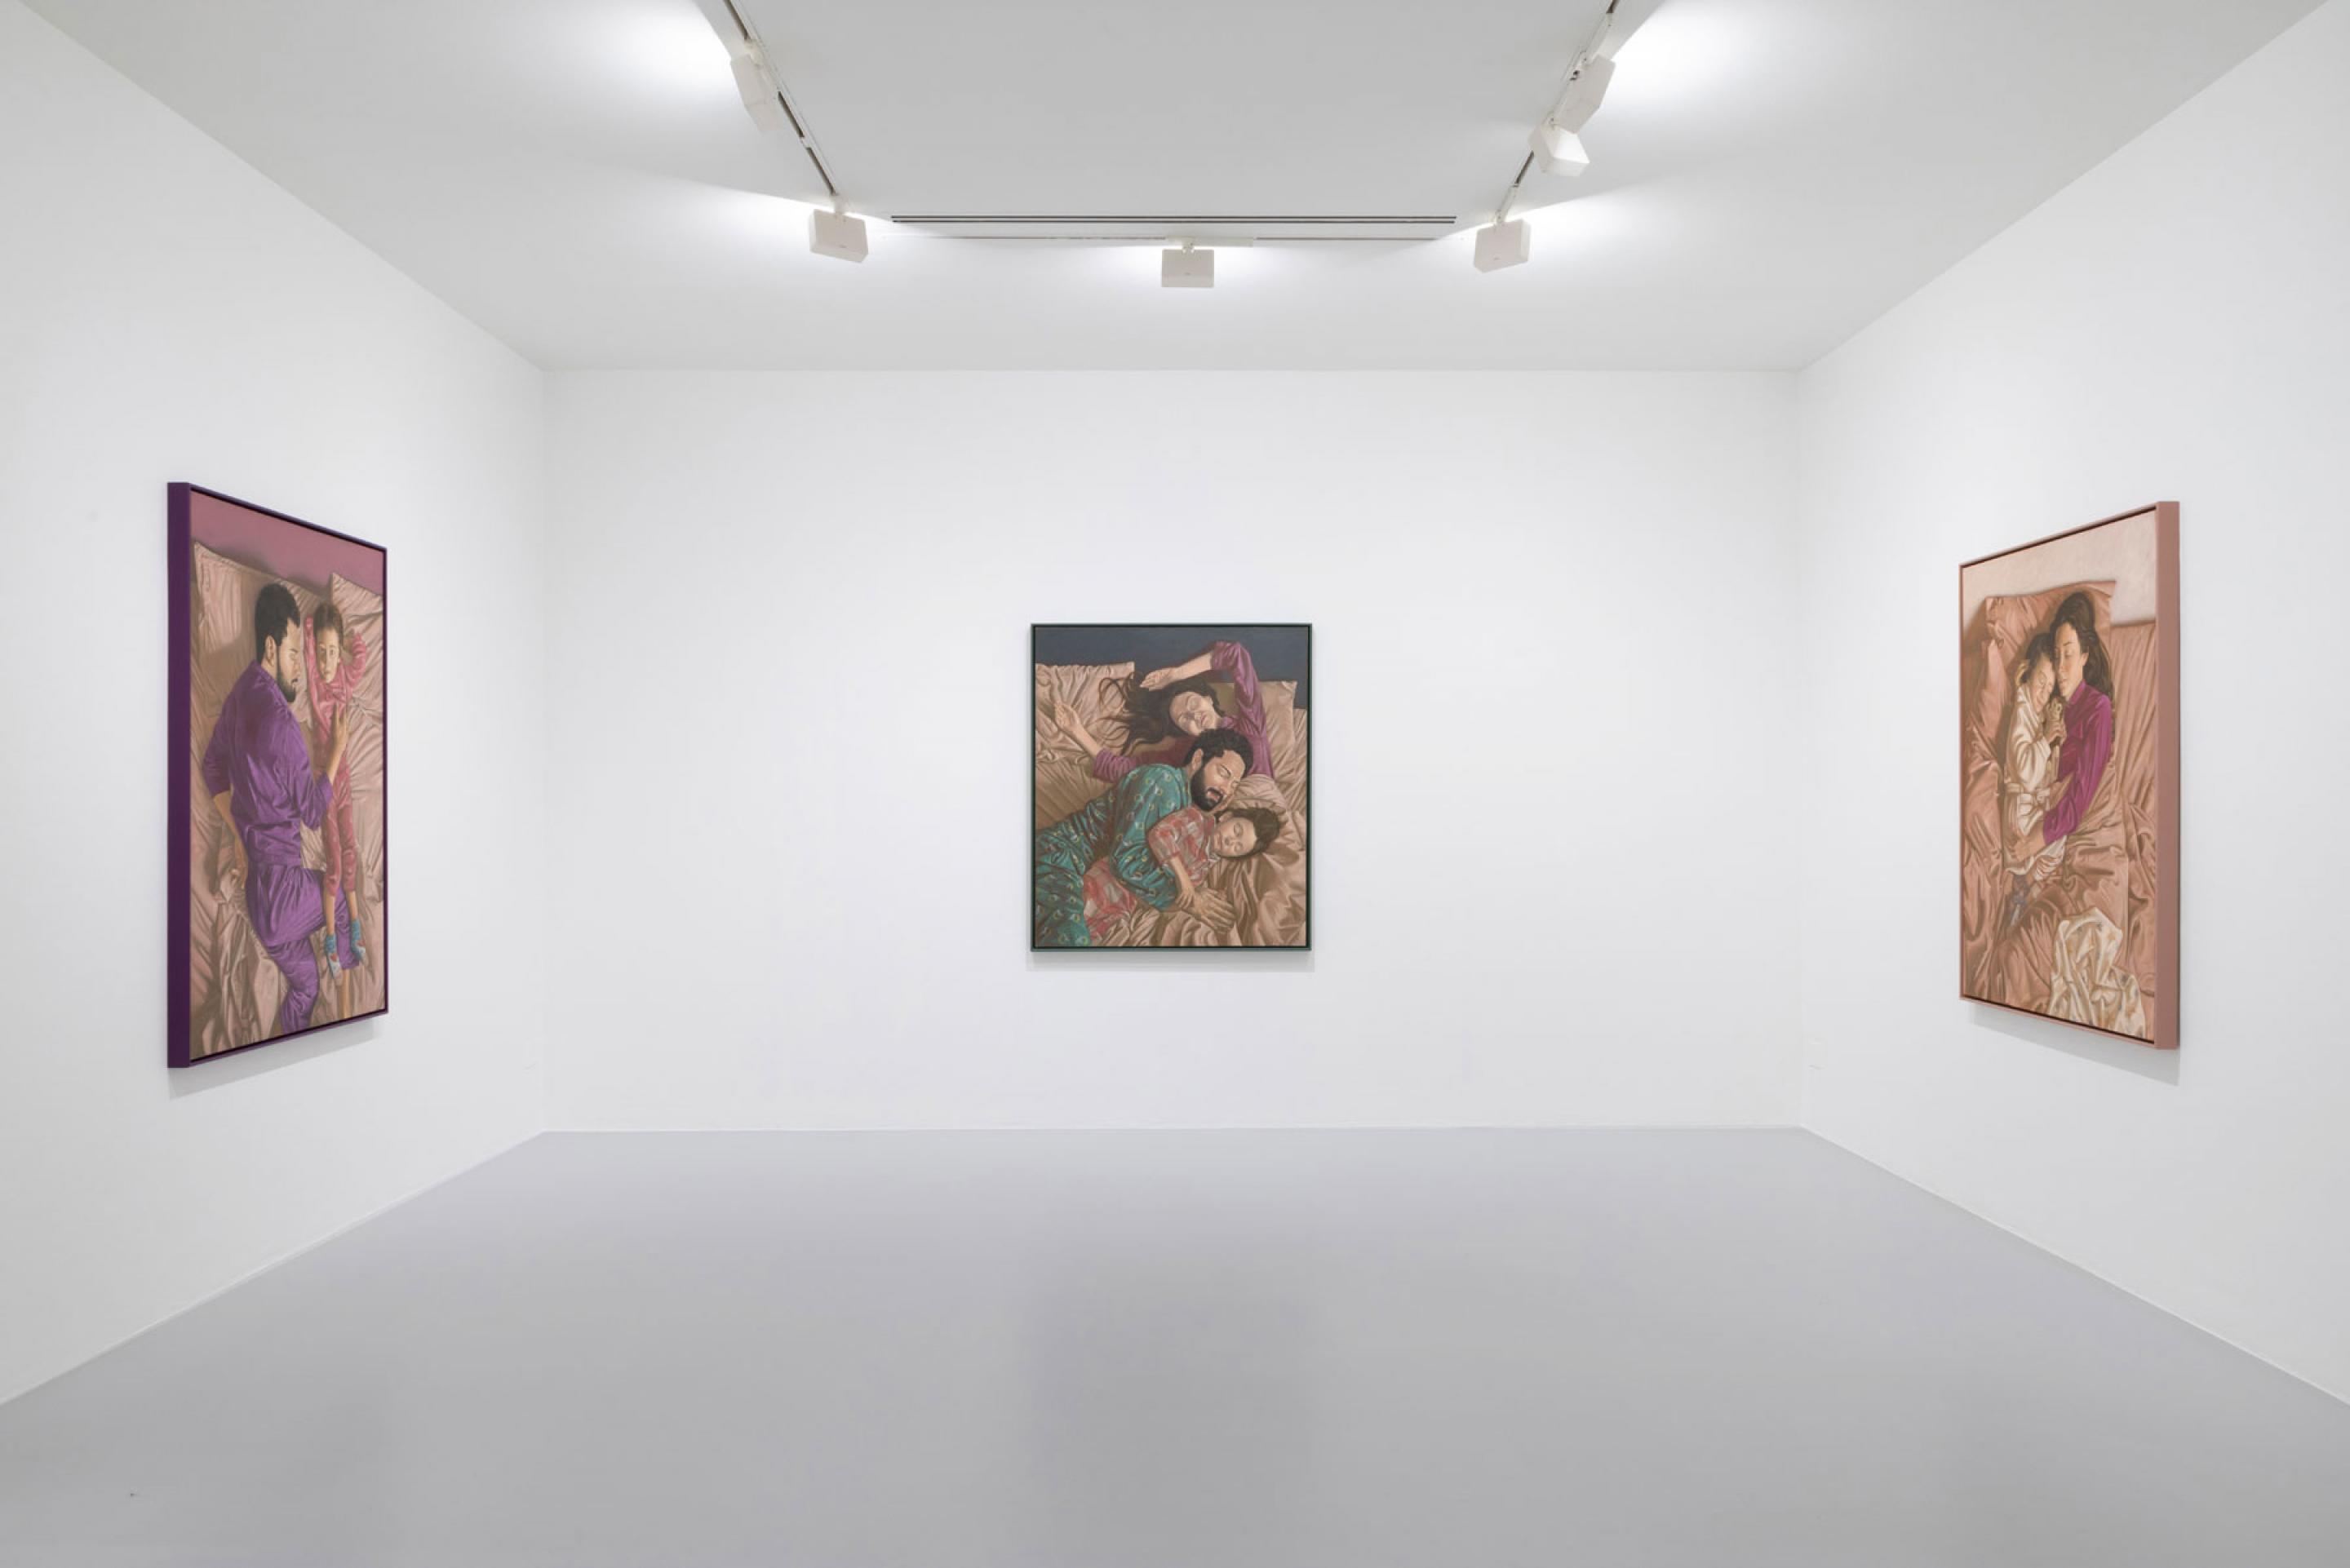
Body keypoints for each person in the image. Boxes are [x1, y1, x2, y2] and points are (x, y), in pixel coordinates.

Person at [202, 582, 354, 1037]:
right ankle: (351, 1010)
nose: (298, 669)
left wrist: (238, 835)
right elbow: (312, 812)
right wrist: (336, 752)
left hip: (260, 904)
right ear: (271, 648)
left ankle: (290, 1038)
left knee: (306, 986)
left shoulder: (239, 694)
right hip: (284, 893)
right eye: (293, 654)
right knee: (339, 899)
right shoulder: (285, 727)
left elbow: (212, 769)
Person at [1034, 730, 1253, 947]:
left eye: (1234, 785)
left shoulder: (1187, 805)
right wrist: (1189, 900)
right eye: (1223, 774)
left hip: (1087, 876)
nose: (1226, 790)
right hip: (1060, 857)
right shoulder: (1163, 781)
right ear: (1197, 759)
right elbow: (1126, 862)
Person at [1050, 640, 1275, 786]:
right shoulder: (1186, 753)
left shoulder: (1249, 726)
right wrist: (1076, 732)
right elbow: (1129, 772)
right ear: (1185, 732)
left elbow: (1236, 655)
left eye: (1193, 704)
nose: (1194, 715)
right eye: (1184, 719)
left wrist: (1178, 674)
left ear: (1207, 698)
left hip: (1264, 811)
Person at [1080, 803, 1283, 942]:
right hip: (1113, 879)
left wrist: (1193, 899)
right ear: (1227, 816)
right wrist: (1184, 880)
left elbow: (1165, 896)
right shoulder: (1197, 820)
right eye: (1236, 830)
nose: (1231, 841)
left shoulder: (1205, 867)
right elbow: (1160, 835)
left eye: (1238, 848)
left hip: (1125, 905)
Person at [304, 602, 369, 986]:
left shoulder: (344, 676)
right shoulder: (316, 685)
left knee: (351, 852)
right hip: (326, 784)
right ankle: (330, 937)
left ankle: (355, 923)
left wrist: (346, 642)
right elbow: (310, 641)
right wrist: (318, 631)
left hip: (345, 783)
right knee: (335, 865)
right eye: (323, 652)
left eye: (333, 652)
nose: (328, 662)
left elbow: (361, 657)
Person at [1999, 633, 2066, 926]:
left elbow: (2046, 775)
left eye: (2049, 688)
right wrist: (2046, 739)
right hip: (2019, 814)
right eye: (2041, 682)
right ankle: (2025, 884)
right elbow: (2026, 774)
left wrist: (2056, 744)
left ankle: (2023, 888)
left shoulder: (2036, 717)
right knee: (2056, 835)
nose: (2043, 693)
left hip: (2031, 809)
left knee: (2060, 835)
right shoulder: (2021, 713)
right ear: (2026, 672)